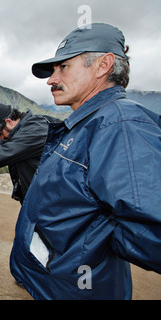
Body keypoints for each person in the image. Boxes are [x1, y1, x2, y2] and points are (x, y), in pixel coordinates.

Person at [10, 23, 161, 300]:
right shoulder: (87, 124)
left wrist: (96, 241)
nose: (51, 80)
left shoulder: (121, 126)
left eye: (63, 67)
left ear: (103, 65)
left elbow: (151, 229)